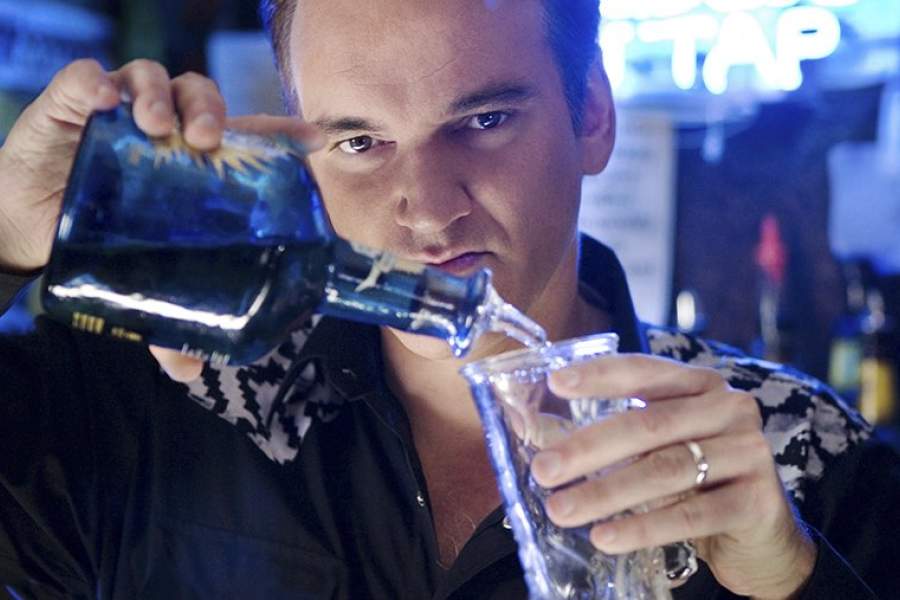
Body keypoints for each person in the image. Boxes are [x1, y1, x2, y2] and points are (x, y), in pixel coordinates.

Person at [0, 0, 896, 598]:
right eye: (360, 142)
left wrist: (793, 580)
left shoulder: (794, 455)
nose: (427, 210)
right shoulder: (169, 386)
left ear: (591, 114)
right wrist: (6, 234)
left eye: (485, 121)